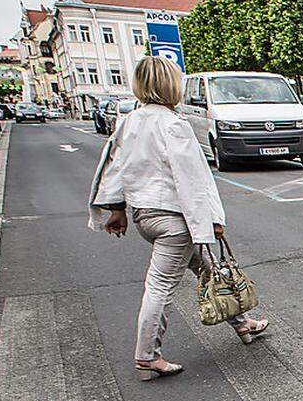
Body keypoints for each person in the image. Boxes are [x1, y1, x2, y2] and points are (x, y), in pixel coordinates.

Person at [89, 57, 268, 382]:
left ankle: (243, 323)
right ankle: (147, 356)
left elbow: (116, 167)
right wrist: (211, 220)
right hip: (175, 219)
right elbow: (193, 178)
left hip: (145, 215)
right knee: (160, 287)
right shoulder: (173, 124)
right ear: (170, 85)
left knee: (209, 270)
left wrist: (116, 208)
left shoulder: (130, 122)